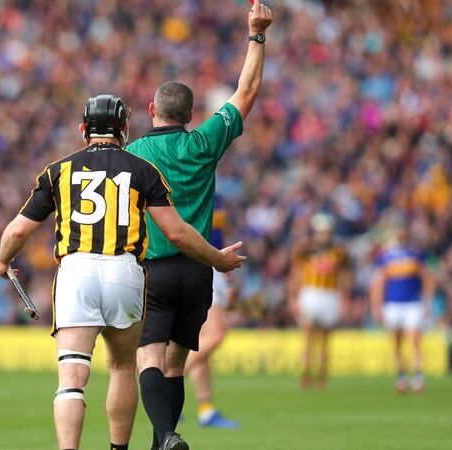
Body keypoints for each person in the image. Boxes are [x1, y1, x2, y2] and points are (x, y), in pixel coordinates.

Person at [0, 95, 246, 450]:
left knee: (72, 378)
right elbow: (176, 232)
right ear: (125, 129)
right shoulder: (143, 169)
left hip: (76, 273)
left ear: (83, 130)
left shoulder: (58, 170)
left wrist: (3, 261)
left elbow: (17, 231)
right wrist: (217, 259)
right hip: (126, 273)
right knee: (124, 366)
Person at [126, 3, 273, 448]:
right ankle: (162, 444)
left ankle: (167, 434)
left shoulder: (133, 155)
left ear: (152, 108)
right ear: (191, 116)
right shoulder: (206, 141)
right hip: (199, 272)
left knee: (148, 358)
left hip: (153, 268)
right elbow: (246, 91)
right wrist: (257, 35)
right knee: (175, 364)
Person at [183, 195, 240, 429]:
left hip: (215, 266)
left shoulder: (217, 195)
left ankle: (206, 409)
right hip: (200, 263)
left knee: (201, 341)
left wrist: (227, 275)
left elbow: (219, 234)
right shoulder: (188, 183)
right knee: (216, 335)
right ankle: (165, 381)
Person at [370, 220, 436, 394]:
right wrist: (377, 307)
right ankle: (400, 376)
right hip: (392, 304)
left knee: (414, 339)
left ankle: (417, 375)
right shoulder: (385, 256)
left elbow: (428, 278)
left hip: (412, 303)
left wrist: (427, 302)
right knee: (396, 342)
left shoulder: (416, 254)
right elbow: (379, 283)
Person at [288, 213, 351, 390]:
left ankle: (322, 374)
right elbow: (296, 274)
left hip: (330, 294)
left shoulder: (339, 251)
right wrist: (293, 298)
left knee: (325, 338)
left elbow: (344, 275)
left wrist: (345, 298)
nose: (324, 235)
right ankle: (306, 372)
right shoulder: (305, 250)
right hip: (310, 294)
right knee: (308, 335)